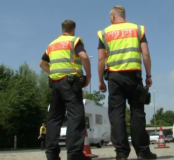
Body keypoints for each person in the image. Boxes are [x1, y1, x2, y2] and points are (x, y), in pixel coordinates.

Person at [97, 5, 156, 160]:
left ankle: (121, 153)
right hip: (133, 76)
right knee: (137, 112)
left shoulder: (105, 32)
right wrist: (148, 75)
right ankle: (143, 152)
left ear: (113, 16)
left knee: (117, 114)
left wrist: (99, 80)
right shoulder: (137, 29)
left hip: (114, 78)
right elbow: (146, 53)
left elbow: (101, 59)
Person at [39, 20, 91, 160]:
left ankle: (51, 154)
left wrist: (54, 74)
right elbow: (84, 57)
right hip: (71, 83)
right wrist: (88, 76)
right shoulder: (74, 41)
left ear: (62, 29)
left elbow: (42, 63)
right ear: (73, 30)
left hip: (55, 84)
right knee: (76, 116)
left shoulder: (52, 44)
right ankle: (74, 154)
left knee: (54, 118)